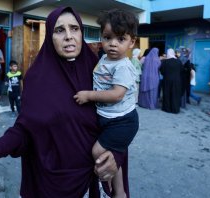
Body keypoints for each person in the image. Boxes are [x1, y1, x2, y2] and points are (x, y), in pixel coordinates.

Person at [0, 7, 125, 198]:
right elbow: (25, 131)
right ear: (50, 37)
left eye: (74, 28)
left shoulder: (101, 72)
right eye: (59, 30)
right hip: (52, 184)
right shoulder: (37, 79)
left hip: (96, 181)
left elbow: (123, 120)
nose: (69, 36)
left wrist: (116, 156)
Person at [73, 9, 139, 198]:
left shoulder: (123, 66)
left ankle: (115, 189)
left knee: (98, 151)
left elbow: (117, 94)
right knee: (110, 155)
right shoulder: (104, 58)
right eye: (107, 37)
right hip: (109, 118)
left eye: (120, 39)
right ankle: (115, 189)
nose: (112, 44)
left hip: (122, 122)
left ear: (131, 42)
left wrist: (89, 95)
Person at [160, 48, 183, 114]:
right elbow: (181, 71)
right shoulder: (178, 61)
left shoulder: (165, 62)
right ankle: (175, 109)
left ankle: (167, 108)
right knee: (175, 94)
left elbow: (162, 71)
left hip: (167, 80)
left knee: (167, 94)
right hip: (177, 80)